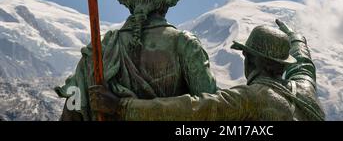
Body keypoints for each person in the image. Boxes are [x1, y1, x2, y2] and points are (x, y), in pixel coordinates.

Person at [55, 0, 217, 120]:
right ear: (167, 3)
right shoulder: (185, 43)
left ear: (130, 4)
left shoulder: (100, 49)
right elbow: (211, 107)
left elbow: (73, 107)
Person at [89, 19, 325, 121]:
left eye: (246, 56)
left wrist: (121, 107)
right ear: (283, 64)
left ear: (252, 61)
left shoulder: (251, 98)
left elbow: (190, 110)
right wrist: (296, 38)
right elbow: (304, 64)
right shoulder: (304, 91)